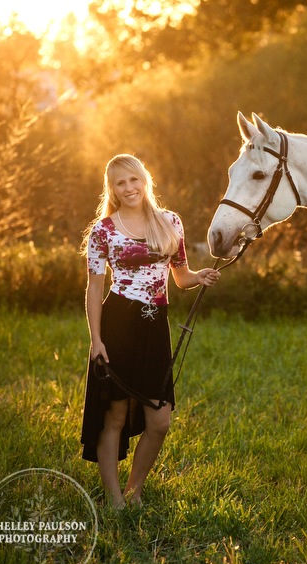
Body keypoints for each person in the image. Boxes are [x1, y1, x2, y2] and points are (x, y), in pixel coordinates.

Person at [80, 154, 220, 509]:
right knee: (114, 414)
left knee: (160, 420)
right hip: (118, 324)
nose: (128, 188)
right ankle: (115, 500)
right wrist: (96, 340)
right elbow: (95, 289)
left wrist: (199, 276)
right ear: (111, 189)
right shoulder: (104, 230)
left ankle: (135, 490)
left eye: (133, 180)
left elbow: (181, 276)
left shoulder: (170, 222)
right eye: (120, 183)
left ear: (145, 181)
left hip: (155, 325)